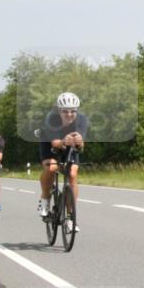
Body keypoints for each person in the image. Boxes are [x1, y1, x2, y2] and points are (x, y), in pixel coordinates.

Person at [37, 92, 89, 229]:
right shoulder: (50, 119)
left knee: (72, 174)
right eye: (65, 111)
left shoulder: (82, 119)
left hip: (69, 144)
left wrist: (79, 142)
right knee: (52, 168)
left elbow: (81, 145)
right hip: (50, 143)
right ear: (59, 111)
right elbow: (55, 143)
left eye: (73, 111)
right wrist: (64, 141)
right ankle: (45, 199)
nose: (69, 114)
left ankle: (70, 217)